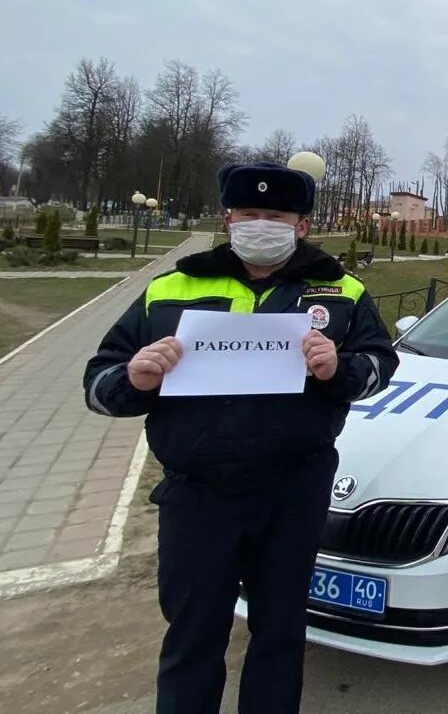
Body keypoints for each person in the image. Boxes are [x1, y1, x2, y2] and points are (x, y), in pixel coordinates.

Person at [83, 162, 399, 714]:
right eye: (249, 214)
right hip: (198, 495)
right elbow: (100, 379)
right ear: (228, 218)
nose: (260, 225)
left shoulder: (340, 289)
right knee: (192, 634)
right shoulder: (172, 286)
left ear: (301, 225)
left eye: (275, 216)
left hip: (292, 493)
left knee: (280, 634)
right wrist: (134, 379)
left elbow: (379, 363)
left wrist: (337, 370)